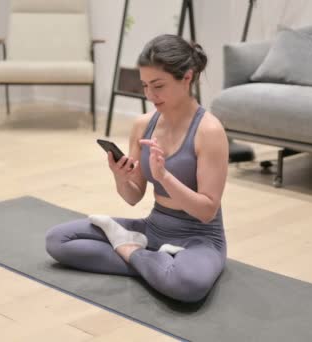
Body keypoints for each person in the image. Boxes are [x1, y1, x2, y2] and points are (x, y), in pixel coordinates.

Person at [45, 34, 229, 303]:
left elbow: (207, 210)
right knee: (58, 240)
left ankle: (132, 253)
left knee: (188, 284)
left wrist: (164, 176)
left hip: (199, 238)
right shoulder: (143, 125)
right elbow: (133, 197)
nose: (149, 95)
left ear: (187, 77)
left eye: (158, 86)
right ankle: (159, 266)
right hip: (154, 228)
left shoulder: (209, 131)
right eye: (144, 86)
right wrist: (120, 177)